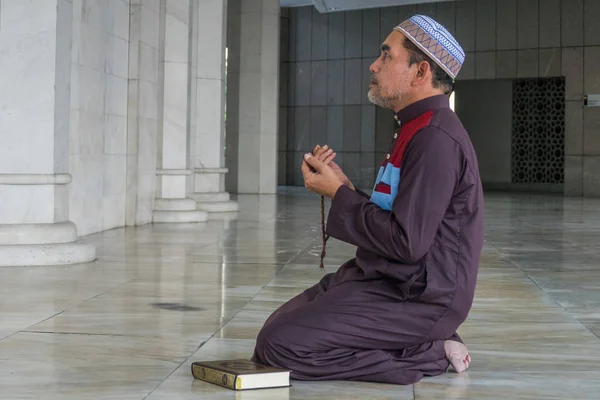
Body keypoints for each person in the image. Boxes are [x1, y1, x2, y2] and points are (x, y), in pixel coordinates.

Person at [251, 14, 484, 385]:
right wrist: (345, 188)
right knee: (276, 331)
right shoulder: (415, 127)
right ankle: (423, 341)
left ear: (420, 72)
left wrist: (338, 194)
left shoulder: (435, 138)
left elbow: (407, 242)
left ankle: (429, 350)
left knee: (281, 348)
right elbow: (398, 219)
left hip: (417, 297)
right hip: (387, 278)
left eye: (386, 56)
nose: (374, 66)